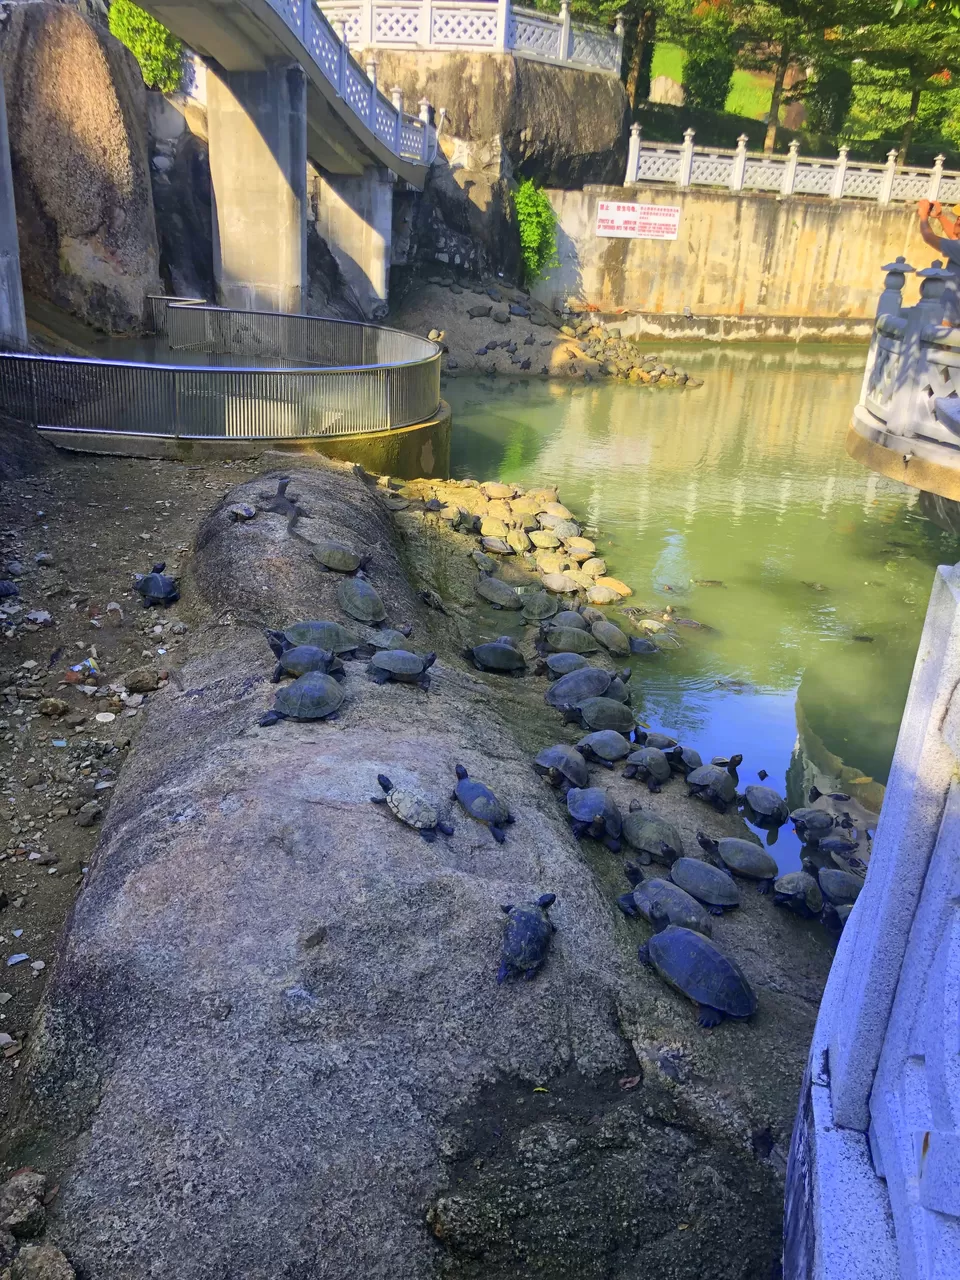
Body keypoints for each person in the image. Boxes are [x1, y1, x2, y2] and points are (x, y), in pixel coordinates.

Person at [918, 198, 960, 323]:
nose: (957, 221)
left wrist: (923, 216)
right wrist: (940, 216)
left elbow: (929, 237)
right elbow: (953, 236)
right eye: (957, 218)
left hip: (949, 318)